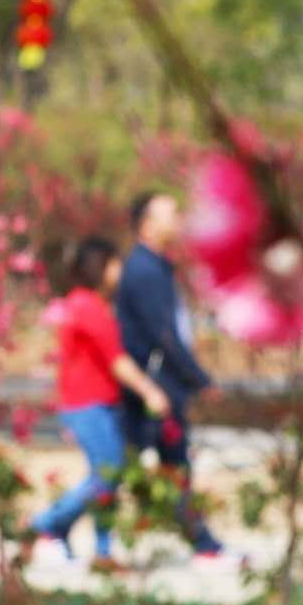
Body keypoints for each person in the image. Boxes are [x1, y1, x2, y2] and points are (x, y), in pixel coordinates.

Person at [30, 236, 170, 562]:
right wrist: (150, 391)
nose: (120, 270)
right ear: (101, 267)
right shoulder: (87, 306)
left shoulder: (86, 304)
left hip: (96, 403)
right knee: (108, 473)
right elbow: (117, 360)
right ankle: (47, 524)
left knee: (108, 474)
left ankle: (100, 550)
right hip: (87, 404)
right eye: (115, 263)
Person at [116, 192, 223, 556]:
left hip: (162, 380)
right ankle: (199, 541)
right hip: (154, 383)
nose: (179, 219)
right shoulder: (144, 269)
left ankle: (195, 537)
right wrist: (199, 378)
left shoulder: (157, 266)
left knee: (163, 462)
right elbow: (163, 333)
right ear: (146, 225)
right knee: (164, 461)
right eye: (171, 213)